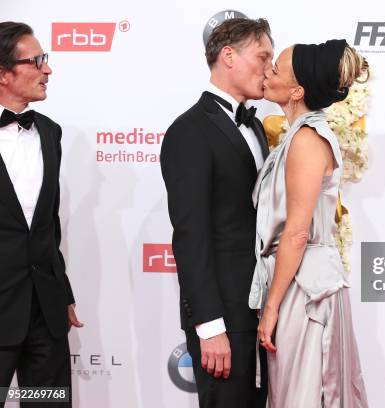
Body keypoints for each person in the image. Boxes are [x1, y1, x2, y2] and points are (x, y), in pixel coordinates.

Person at [250, 39, 369, 407]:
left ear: (296, 90)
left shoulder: (306, 140)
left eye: (276, 69)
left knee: (301, 395)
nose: (267, 71)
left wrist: (271, 307)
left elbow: (297, 233)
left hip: (304, 292)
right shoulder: (297, 136)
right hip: (298, 284)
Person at [160, 17, 273, 408]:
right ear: (228, 56)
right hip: (224, 318)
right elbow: (191, 237)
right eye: (262, 56)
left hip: (261, 313)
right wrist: (209, 327)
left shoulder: (256, 127)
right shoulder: (189, 131)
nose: (269, 68)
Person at [0, 21, 83, 407]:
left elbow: (47, 224)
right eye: (36, 61)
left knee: (46, 403)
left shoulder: (50, 132)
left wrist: (61, 292)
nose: (47, 69)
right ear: (3, 73)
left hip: (45, 317)